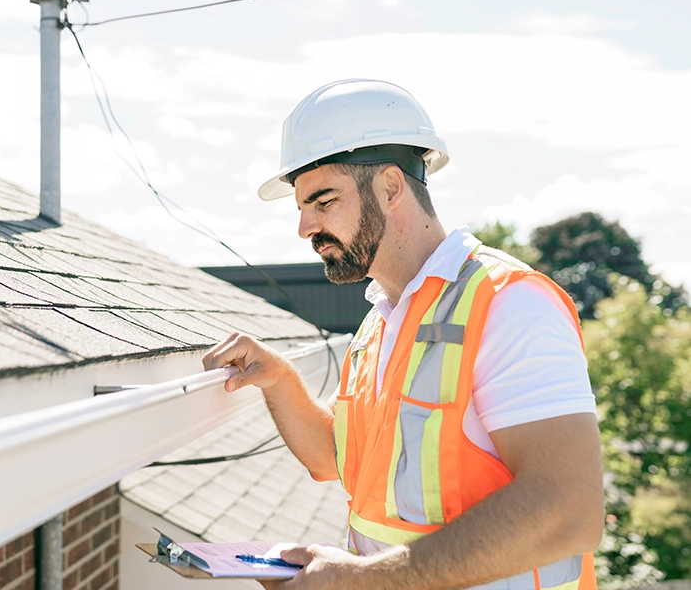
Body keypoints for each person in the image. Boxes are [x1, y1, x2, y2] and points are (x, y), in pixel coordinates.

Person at [203, 79, 604, 590]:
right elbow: (338, 461)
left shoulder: (510, 303)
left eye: (323, 201)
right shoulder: (379, 323)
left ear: (391, 188)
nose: (305, 227)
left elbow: (569, 510)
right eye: (301, 207)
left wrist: (362, 579)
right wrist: (279, 380)